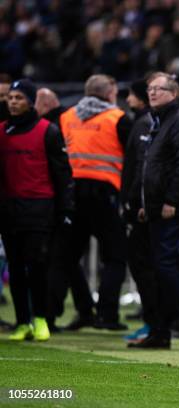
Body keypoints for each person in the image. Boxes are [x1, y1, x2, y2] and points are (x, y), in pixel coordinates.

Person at [130, 72, 179, 351]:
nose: (151, 93)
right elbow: (152, 168)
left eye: (158, 89)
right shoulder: (160, 121)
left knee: (165, 264)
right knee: (158, 268)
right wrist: (145, 204)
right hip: (156, 208)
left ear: (173, 93)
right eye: (149, 89)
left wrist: (171, 200)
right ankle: (160, 332)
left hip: (173, 209)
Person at [0, 79, 74, 341]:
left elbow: (62, 174)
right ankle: (22, 322)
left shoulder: (48, 131)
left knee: (38, 266)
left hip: (39, 208)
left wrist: (66, 209)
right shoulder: (1, 131)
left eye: (19, 98)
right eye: (10, 98)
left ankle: (41, 318)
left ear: (31, 101)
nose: (13, 102)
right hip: (9, 210)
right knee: (16, 268)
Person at [59, 74, 132, 330]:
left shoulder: (67, 116)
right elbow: (134, 160)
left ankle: (84, 310)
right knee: (116, 256)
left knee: (68, 257)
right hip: (105, 194)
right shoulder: (119, 119)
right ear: (110, 93)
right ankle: (106, 314)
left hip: (71, 194)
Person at [120, 78, 157, 344]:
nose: (128, 101)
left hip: (142, 208)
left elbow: (140, 168)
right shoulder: (144, 122)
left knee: (145, 266)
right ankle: (154, 321)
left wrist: (134, 202)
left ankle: (154, 322)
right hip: (139, 204)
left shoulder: (145, 123)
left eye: (131, 96)